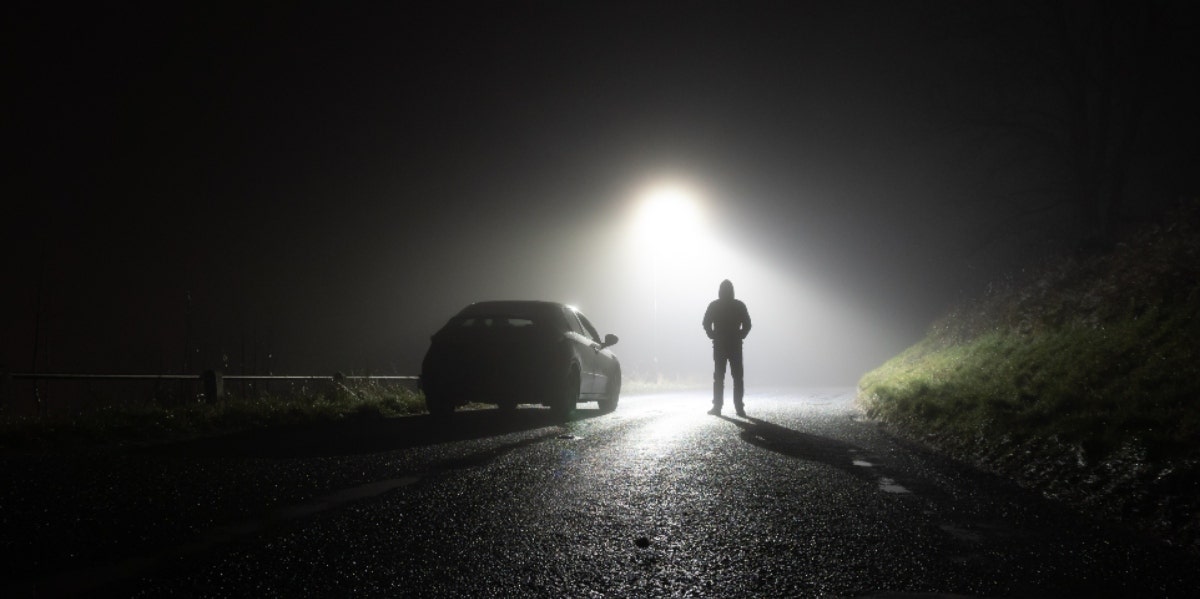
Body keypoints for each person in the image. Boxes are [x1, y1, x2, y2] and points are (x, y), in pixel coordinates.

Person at [702, 279, 751, 416]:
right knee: (737, 377)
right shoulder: (739, 305)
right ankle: (739, 408)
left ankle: (717, 407)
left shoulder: (714, 305)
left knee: (719, 377)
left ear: (720, 291)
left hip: (720, 345)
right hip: (734, 345)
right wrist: (741, 335)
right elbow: (747, 324)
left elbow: (706, 323)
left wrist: (712, 335)